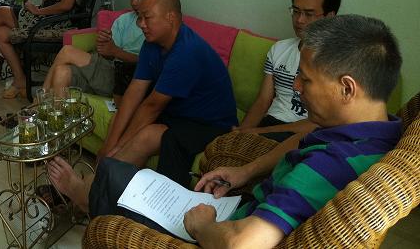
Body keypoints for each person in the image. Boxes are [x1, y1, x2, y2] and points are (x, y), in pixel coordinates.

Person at [48, 14, 402, 248]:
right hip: (240, 203)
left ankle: (85, 200)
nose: (296, 86)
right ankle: (91, 196)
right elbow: (302, 137)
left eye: (305, 80)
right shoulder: (375, 130)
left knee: (114, 179)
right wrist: (244, 171)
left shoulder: (330, 164)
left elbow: (241, 244)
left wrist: (201, 225)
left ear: (347, 88)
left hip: (222, 230)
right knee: (124, 175)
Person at [97, 0, 237, 186]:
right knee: (118, 123)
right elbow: (135, 91)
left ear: (170, 17)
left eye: (147, 18)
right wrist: (108, 147)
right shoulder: (152, 43)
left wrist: (117, 149)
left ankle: (95, 191)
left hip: (210, 123)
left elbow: (152, 106)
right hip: (178, 111)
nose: (141, 24)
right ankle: (102, 188)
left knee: (145, 137)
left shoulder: (187, 51)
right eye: (139, 18)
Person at [234, 0, 341, 141]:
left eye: (309, 14)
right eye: (296, 11)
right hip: (269, 125)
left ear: (330, 17)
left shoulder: (340, 61)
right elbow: (263, 101)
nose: (299, 20)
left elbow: (323, 123)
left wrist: (262, 131)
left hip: (305, 135)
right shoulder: (279, 49)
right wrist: (241, 133)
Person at [40, 0, 159, 105]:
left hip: (127, 77)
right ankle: (56, 114)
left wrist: (115, 52)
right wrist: (105, 46)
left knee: (67, 51)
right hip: (110, 68)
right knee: (61, 72)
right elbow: (110, 55)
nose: (134, 2)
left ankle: (39, 101)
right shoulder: (124, 20)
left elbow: (151, 63)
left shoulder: (157, 26)